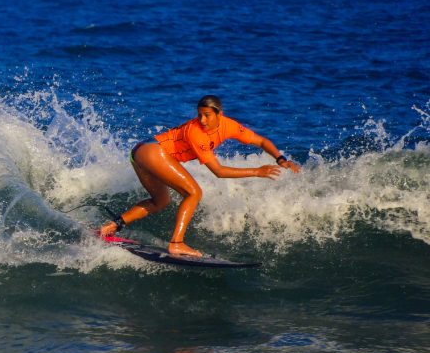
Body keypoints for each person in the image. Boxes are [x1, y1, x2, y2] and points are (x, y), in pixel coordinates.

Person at [100, 95, 300, 257]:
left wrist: (280, 159)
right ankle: (176, 243)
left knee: (161, 201)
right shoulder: (196, 132)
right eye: (199, 115)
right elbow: (219, 172)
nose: (202, 120)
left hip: (140, 154)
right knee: (194, 193)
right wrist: (256, 171)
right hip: (152, 151)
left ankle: (113, 225)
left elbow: (261, 141)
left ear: (219, 114)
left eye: (207, 115)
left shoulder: (230, 126)